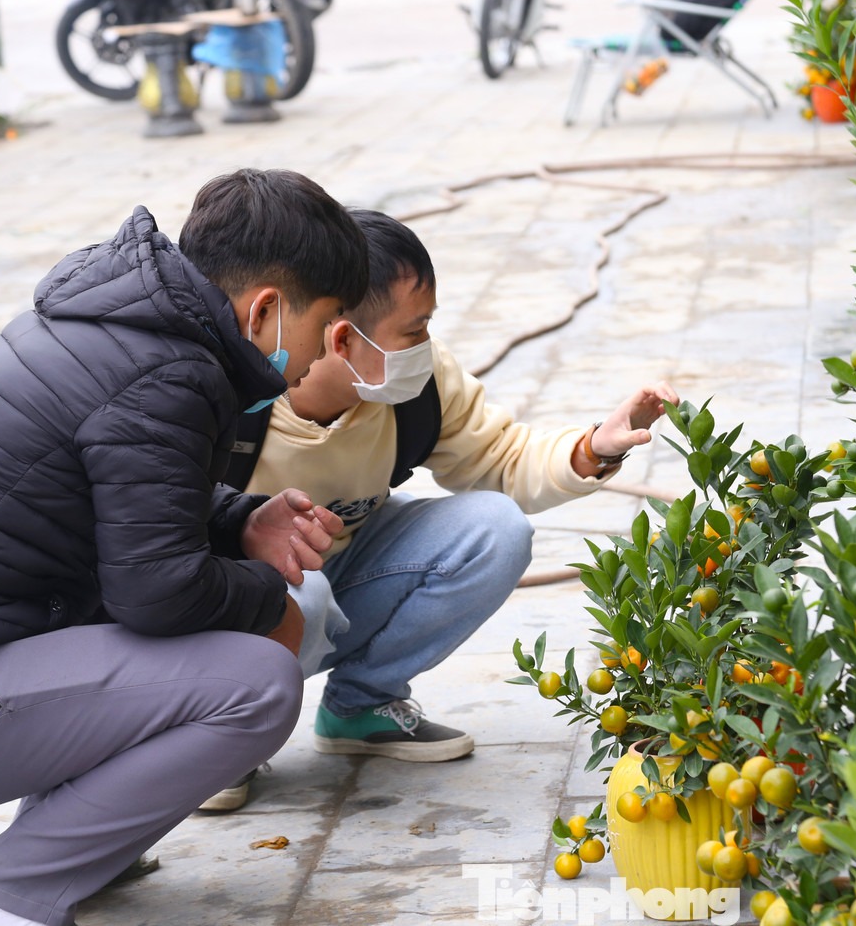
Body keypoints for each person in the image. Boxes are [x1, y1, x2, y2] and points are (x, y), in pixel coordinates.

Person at [0, 168, 368, 926]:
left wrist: (241, 521)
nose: (317, 357)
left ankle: (80, 850)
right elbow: (156, 592)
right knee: (255, 682)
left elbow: (122, 494)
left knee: (216, 642)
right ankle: (4, 896)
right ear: (266, 310)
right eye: (323, 328)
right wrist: (267, 599)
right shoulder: (167, 374)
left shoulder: (120, 325)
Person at [209, 209, 677, 808]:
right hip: (243, 602)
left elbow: (503, 458)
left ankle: (361, 706)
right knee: (301, 590)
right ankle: (224, 728)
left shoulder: (418, 385)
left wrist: (594, 448)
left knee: (495, 529)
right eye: (415, 328)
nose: (425, 345)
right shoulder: (230, 400)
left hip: (340, 571)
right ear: (341, 336)